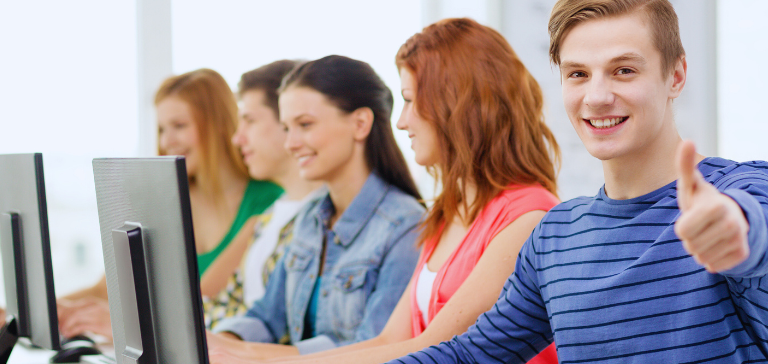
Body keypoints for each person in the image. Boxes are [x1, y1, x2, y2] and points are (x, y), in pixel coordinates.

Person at [390, 0, 768, 363]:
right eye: (578, 74)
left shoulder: (744, 186)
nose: (597, 96)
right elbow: (471, 355)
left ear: (676, 75)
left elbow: (759, 231)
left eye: (624, 70)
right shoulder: (555, 234)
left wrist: (731, 230)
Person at [209, 18, 561, 364]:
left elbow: (436, 348)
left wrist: (258, 361)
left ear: (456, 104)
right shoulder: (447, 213)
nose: (401, 120)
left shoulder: (527, 216)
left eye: (409, 100)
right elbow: (391, 339)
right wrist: (235, 351)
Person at [0, 68, 283, 340]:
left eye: (180, 126)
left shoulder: (270, 202)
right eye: (162, 129)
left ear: (218, 125)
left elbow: (199, 302)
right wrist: (18, 314)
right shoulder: (163, 203)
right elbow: (104, 290)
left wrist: (107, 319)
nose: (167, 140)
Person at [206, 55, 425, 358]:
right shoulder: (310, 217)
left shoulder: (405, 225)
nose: (291, 143)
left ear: (360, 123)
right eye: (287, 128)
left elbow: (373, 348)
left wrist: (248, 354)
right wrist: (217, 341)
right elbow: (267, 316)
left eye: (305, 125)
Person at [204, 59, 325, 328]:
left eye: (249, 121)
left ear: (286, 121)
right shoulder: (270, 216)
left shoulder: (325, 217)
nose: (238, 138)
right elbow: (225, 304)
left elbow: (276, 328)